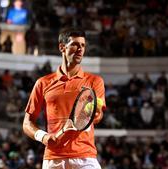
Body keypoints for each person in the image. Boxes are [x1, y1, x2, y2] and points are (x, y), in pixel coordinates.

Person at [22, 27, 106, 169]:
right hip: (53, 159)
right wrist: (43, 137)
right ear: (62, 47)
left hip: (85, 158)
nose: (80, 49)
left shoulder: (94, 81)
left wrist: (95, 114)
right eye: (75, 44)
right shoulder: (42, 83)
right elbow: (27, 123)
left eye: (83, 45)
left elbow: (97, 116)